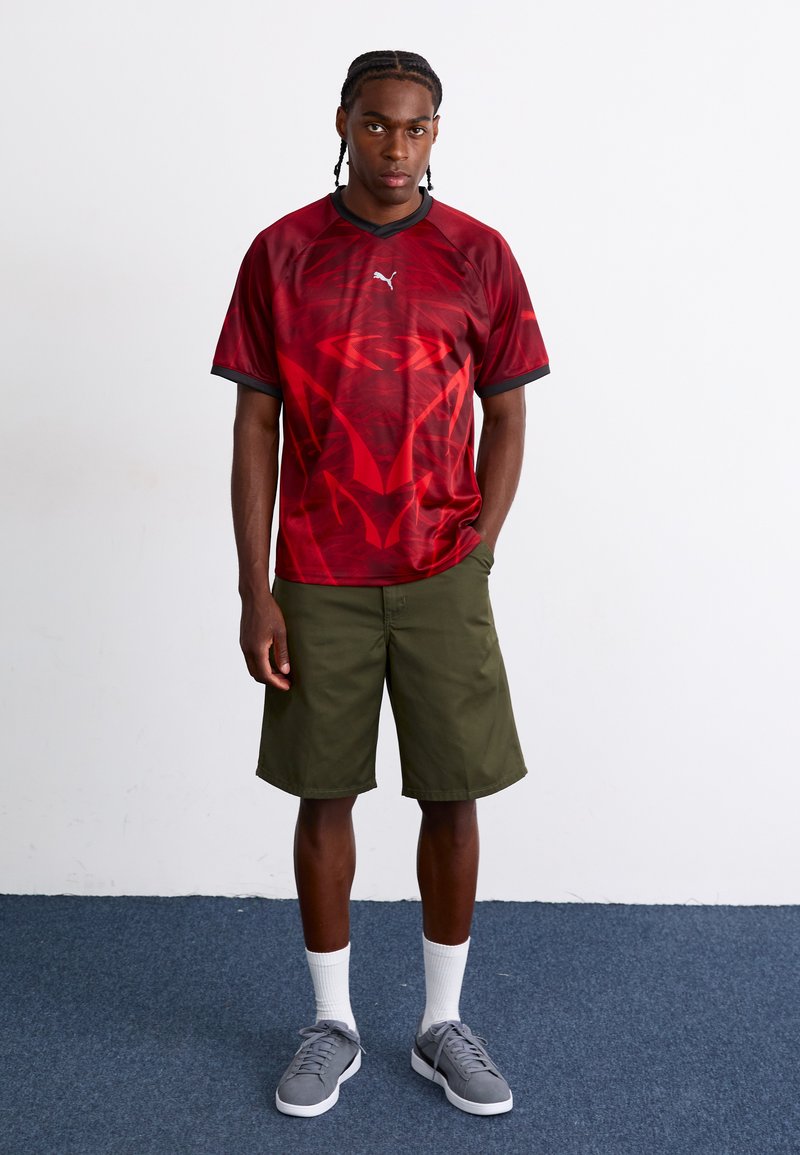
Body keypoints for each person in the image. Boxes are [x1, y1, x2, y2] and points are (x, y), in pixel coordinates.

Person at [211, 49, 550, 1119]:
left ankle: (441, 1024)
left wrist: (479, 546)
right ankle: (333, 1023)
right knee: (324, 793)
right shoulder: (281, 253)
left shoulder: (479, 255)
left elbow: (509, 410)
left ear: (435, 132)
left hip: (442, 569)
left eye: (415, 126)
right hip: (318, 573)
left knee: (453, 791)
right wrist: (255, 588)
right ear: (343, 123)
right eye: (375, 123)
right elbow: (254, 422)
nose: (395, 146)